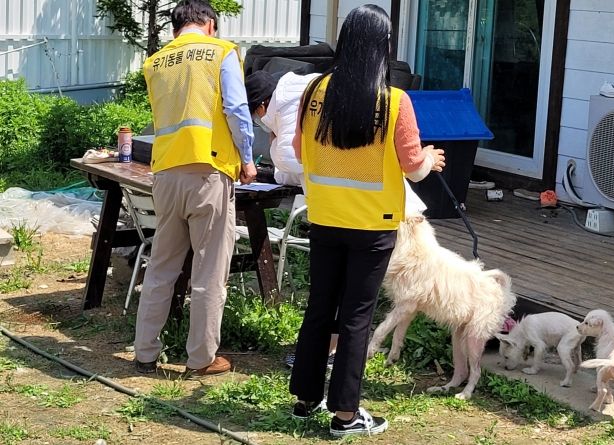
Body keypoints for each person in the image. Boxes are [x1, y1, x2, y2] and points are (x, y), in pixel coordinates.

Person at [288, 4, 445, 437]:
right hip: (373, 226)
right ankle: (345, 415)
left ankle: (305, 399)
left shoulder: (315, 90)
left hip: (324, 217)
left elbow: (298, 151)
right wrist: (430, 158)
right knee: (356, 317)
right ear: (383, 45)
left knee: (320, 307)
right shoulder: (394, 101)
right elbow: (413, 169)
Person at [133, 0, 257, 377]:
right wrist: (247, 158)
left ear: (175, 28)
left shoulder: (155, 62)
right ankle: (202, 358)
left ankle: (145, 352)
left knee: (161, 266)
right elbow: (236, 110)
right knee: (209, 271)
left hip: (165, 174)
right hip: (209, 172)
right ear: (210, 25)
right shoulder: (222, 52)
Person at [245, 69, 319, 189]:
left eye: (255, 116)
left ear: (261, 107)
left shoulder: (283, 110)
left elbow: (291, 162)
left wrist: (275, 142)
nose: (258, 120)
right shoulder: (297, 91)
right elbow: (303, 170)